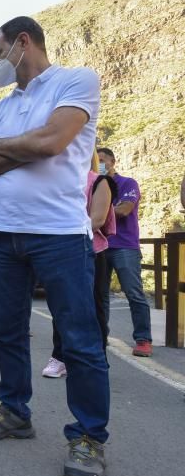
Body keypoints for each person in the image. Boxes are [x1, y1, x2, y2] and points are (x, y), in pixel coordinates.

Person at [0, 16, 110, 476]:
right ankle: (14, 411)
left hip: (61, 236)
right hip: (3, 234)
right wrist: (21, 147)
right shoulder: (2, 106)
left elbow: (54, 141)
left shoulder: (76, 80)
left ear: (22, 43)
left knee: (79, 341)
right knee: (7, 331)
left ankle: (88, 438)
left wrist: (1, 148)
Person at [43, 153, 117, 378]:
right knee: (60, 307)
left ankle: (97, 358)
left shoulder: (99, 181)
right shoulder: (56, 182)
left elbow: (97, 219)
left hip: (91, 253)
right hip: (60, 253)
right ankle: (60, 357)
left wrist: (65, 234)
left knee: (94, 309)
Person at [98, 147, 153, 357]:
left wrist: (99, 209)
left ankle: (143, 340)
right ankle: (100, 337)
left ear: (113, 161)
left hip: (124, 246)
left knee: (134, 293)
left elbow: (125, 209)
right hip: (101, 246)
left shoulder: (128, 183)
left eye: (103, 160)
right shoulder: (95, 184)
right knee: (100, 295)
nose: (101, 163)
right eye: (97, 160)